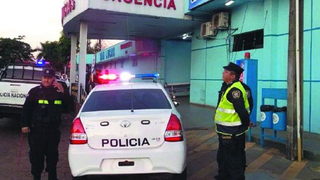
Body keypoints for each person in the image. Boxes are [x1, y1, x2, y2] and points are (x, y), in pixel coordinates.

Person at [21, 68, 70, 180]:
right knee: (36, 155)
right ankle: (36, 176)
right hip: (37, 130)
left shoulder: (59, 92)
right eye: (44, 78)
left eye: (49, 78)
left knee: (52, 156)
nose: (46, 80)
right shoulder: (34, 92)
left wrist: (64, 92)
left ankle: (52, 176)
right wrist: (24, 124)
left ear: (53, 79)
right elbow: (26, 110)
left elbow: (68, 107)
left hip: (53, 130)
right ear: (41, 78)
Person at [214, 62, 251, 180]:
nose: (223, 73)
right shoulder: (227, 86)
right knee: (223, 157)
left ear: (233, 76)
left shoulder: (235, 90)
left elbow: (242, 111)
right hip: (225, 131)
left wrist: (245, 125)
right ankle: (223, 176)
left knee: (234, 161)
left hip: (232, 133)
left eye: (225, 72)